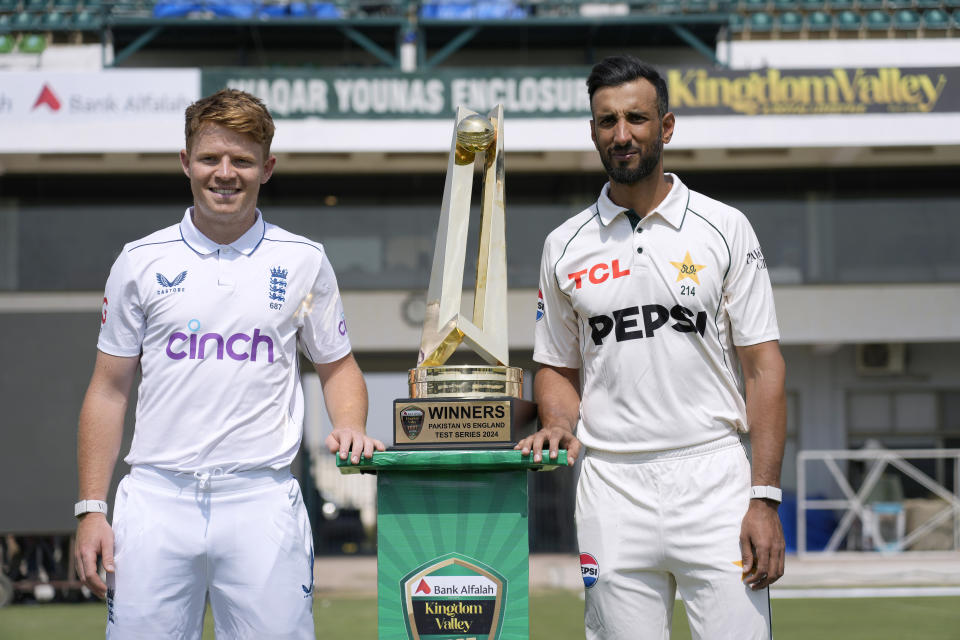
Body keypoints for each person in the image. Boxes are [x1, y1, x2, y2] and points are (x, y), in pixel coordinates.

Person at [73, 88, 384, 639]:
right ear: (185, 163)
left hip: (260, 498)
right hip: (154, 498)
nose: (225, 173)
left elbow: (338, 367)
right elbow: (108, 390)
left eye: (241, 160)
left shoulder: (304, 260)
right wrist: (91, 508)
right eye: (210, 158)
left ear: (267, 167)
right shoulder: (139, 261)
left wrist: (351, 424)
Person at [517, 55, 786, 639]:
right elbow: (556, 365)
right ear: (592, 131)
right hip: (611, 484)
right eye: (607, 121)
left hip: (713, 476)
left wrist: (763, 499)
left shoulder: (725, 227)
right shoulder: (563, 244)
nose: (622, 134)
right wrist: (559, 420)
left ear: (666, 127)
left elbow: (764, 369)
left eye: (636, 118)